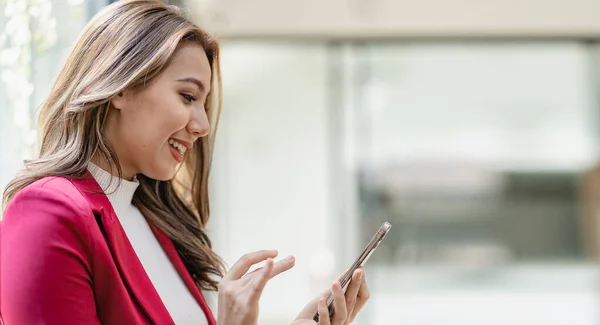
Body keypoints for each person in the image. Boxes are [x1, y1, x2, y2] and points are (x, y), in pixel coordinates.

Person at [0, 0, 370, 324]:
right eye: (188, 96)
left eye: (203, 105)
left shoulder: (153, 225)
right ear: (121, 86)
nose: (203, 126)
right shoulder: (47, 213)